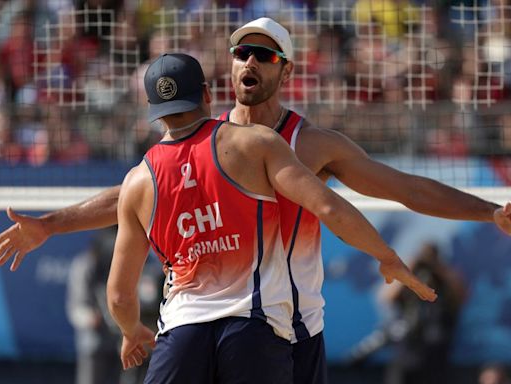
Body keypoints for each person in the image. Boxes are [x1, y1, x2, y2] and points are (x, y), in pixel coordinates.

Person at [0, 16, 511, 384]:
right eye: (242, 52)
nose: (249, 61)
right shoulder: (205, 138)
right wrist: (49, 224)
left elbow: (406, 188)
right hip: (236, 325)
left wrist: (488, 211)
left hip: (298, 325)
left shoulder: (310, 144)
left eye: (263, 54)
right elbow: (127, 195)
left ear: (285, 71)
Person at [106, 52, 435, 383]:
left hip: (181, 332)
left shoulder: (137, 181)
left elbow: (119, 295)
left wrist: (131, 329)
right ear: (207, 94)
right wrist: (387, 256)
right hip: (253, 328)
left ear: (153, 111)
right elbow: (329, 208)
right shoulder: (253, 143)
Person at [381, 242, 467, 384]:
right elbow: (387, 298)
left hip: (436, 353)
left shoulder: (445, 277)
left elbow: (461, 296)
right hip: (407, 350)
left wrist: (438, 268)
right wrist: (407, 271)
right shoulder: (409, 278)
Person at [66, 227, 122, 384]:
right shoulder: (84, 266)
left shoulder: (121, 265)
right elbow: (76, 306)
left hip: (118, 341)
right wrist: (90, 317)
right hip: (93, 342)